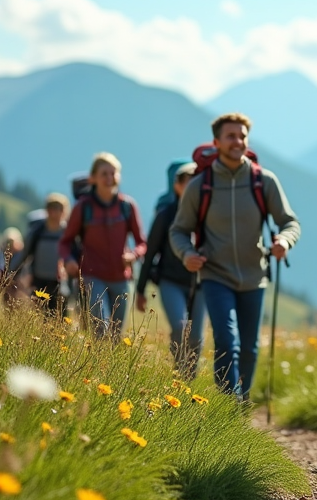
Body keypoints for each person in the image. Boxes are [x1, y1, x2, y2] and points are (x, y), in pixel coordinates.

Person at [169, 113, 301, 399]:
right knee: (228, 343)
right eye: (231, 136)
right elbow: (178, 231)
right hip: (215, 275)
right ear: (216, 142)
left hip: (255, 276)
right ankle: (228, 406)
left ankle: (241, 407)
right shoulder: (200, 185)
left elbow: (290, 222)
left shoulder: (263, 181)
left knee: (250, 349)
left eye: (242, 136)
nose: (237, 141)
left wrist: (285, 241)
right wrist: (187, 253)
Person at [59, 153, 146, 341]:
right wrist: (69, 260)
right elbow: (65, 241)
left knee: (116, 335)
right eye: (104, 173)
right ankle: (97, 368)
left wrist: (134, 255)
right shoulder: (83, 207)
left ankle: (109, 370)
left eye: (113, 173)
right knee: (100, 329)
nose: (109, 178)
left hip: (121, 279)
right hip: (92, 276)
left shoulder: (127, 206)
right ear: (93, 178)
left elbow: (142, 242)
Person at [136, 162, 207, 377]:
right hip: (170, 282)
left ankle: (188, 380)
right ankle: (179, 373)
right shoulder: (165, 215)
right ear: (177, 186)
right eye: (189, 181)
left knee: (196, 336)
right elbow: (151, 253)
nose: (194, 185)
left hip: (201, 283)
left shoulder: (206, 215)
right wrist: (140, 290)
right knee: (179, 327)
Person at [9, 193, 69, 315]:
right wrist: (10, 273)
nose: (54, 213)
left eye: (58, 209)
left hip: (61, 283)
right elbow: (24, 254)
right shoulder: (37, 232)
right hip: (38, 281)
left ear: (64, 211)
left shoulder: (68, 234)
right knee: (39, 317)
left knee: (60, 318)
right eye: (51, 208)